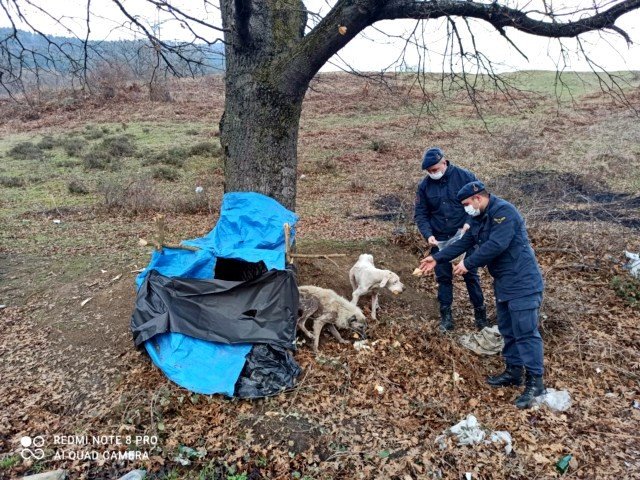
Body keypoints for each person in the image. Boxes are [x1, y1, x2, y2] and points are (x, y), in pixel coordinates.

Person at [419, 181, 546, 409]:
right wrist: (437, 257)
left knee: (526, 332)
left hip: (523, 281)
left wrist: (468, 263)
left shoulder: (504, 212)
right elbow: (464, 242)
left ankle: (536, 383)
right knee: (508, 329)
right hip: (504, 283)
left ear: (478, 198)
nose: (466, 208)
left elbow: (497, 244)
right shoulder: (479, 217)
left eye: (467, 203)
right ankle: (513, 372)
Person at [414, 147, 487, 332]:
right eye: (429, 171)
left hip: (465, 236)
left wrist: (470, 223)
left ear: (444, 163)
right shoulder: (424, 186)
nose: (433, 173)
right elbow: (421, 213)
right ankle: (446, 317)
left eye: (435, 169)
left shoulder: (465, 177)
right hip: (439, 238)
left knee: (470, 274)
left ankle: (481, 316)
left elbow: (480, 203)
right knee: (443, 278)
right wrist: (427, 234)